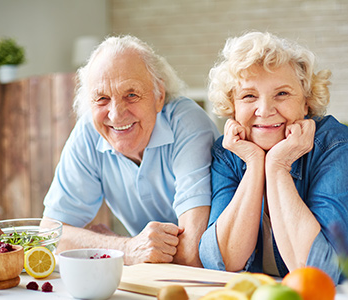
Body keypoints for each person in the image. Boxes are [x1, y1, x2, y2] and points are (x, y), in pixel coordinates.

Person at [198, 31, 348, 283]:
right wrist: (254, 164)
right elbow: (220, 260)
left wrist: (278, 166)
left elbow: (318, 272)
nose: (265, 110)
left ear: (306, 103)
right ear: (233, 106)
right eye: (249, 96)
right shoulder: (230, 151)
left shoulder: (338, 147)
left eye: (281, 94)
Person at [42, 35, 220, 267]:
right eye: (102, 98)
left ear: (159, 97)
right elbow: (50, 236)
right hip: (153, 279)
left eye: (132, 95)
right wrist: (126, 248)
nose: (116, 115)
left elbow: (192, 252)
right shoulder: (89, 130)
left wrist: (110, 244)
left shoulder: (187, 123)